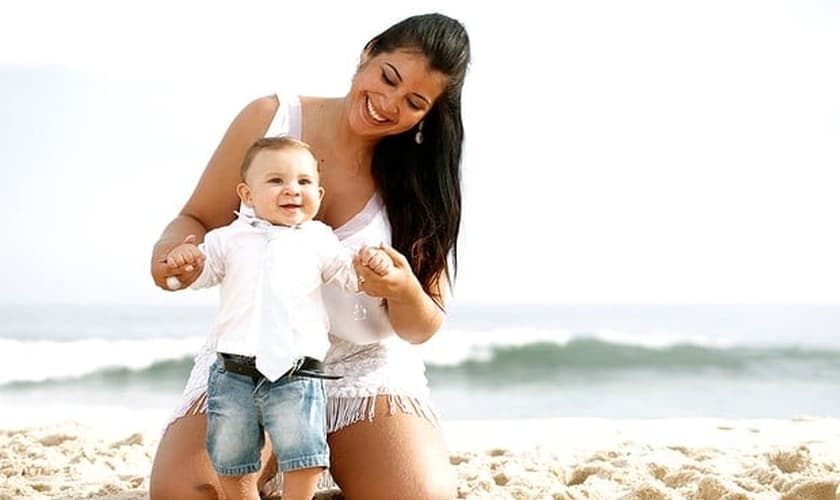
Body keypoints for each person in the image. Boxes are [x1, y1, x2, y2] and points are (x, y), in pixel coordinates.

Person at [149, 12, 470, 500]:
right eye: (387, 77)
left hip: (361, 364)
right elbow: (195, 218)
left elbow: (422, 325)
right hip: (252, 355)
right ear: (367, 53)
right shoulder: (271, 118)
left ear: (428, 115)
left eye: (413, 102)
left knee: (420, 496)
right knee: (188, 491)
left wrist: (401, 289)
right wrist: (172, 255)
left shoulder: (421, 182)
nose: (388, 103)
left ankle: (322, 456)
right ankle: (275, 458)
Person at [164, 136, 391, 500]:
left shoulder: (319, 239)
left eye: (303, 182)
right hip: (233, 372)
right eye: (276, 181)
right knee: (230, 453)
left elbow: (346, 274)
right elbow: (201, 273)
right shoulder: (228, 239)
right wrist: (187, 264)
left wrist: (368, 267)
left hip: (296, 371)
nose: (292, 190)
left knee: (303, 451)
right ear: (247, 194)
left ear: (319, 192)